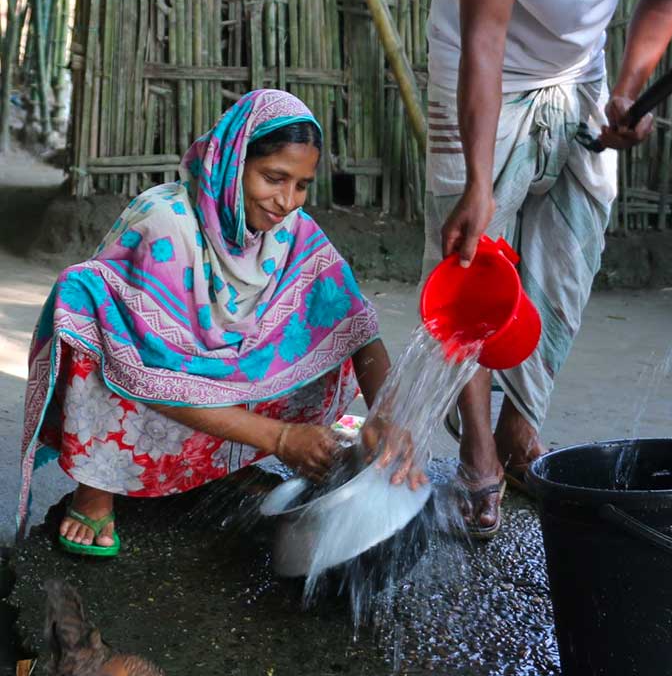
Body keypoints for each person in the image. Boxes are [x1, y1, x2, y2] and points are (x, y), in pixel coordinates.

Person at [423, 0, 672, 536]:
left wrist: (628, 87)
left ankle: (522, 415)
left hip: (581, 68)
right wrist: (478, 182)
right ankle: (477, 447)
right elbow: (484, 37)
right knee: (470, 262)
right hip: (485, 67)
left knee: (568, 257)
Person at [19, 89, 420, 556]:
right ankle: (97, 488)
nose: (287, 201)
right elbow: (149, 372)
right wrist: (283, 438)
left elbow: (359, 330)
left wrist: (389, 418)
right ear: (233, 162)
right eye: (274, 178)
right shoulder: (164, 222)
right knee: (101, 341)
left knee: (328, 343)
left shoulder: (292, 231)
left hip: (214, 385)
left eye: (302, 184)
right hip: (151, 381)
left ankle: (223, 464)